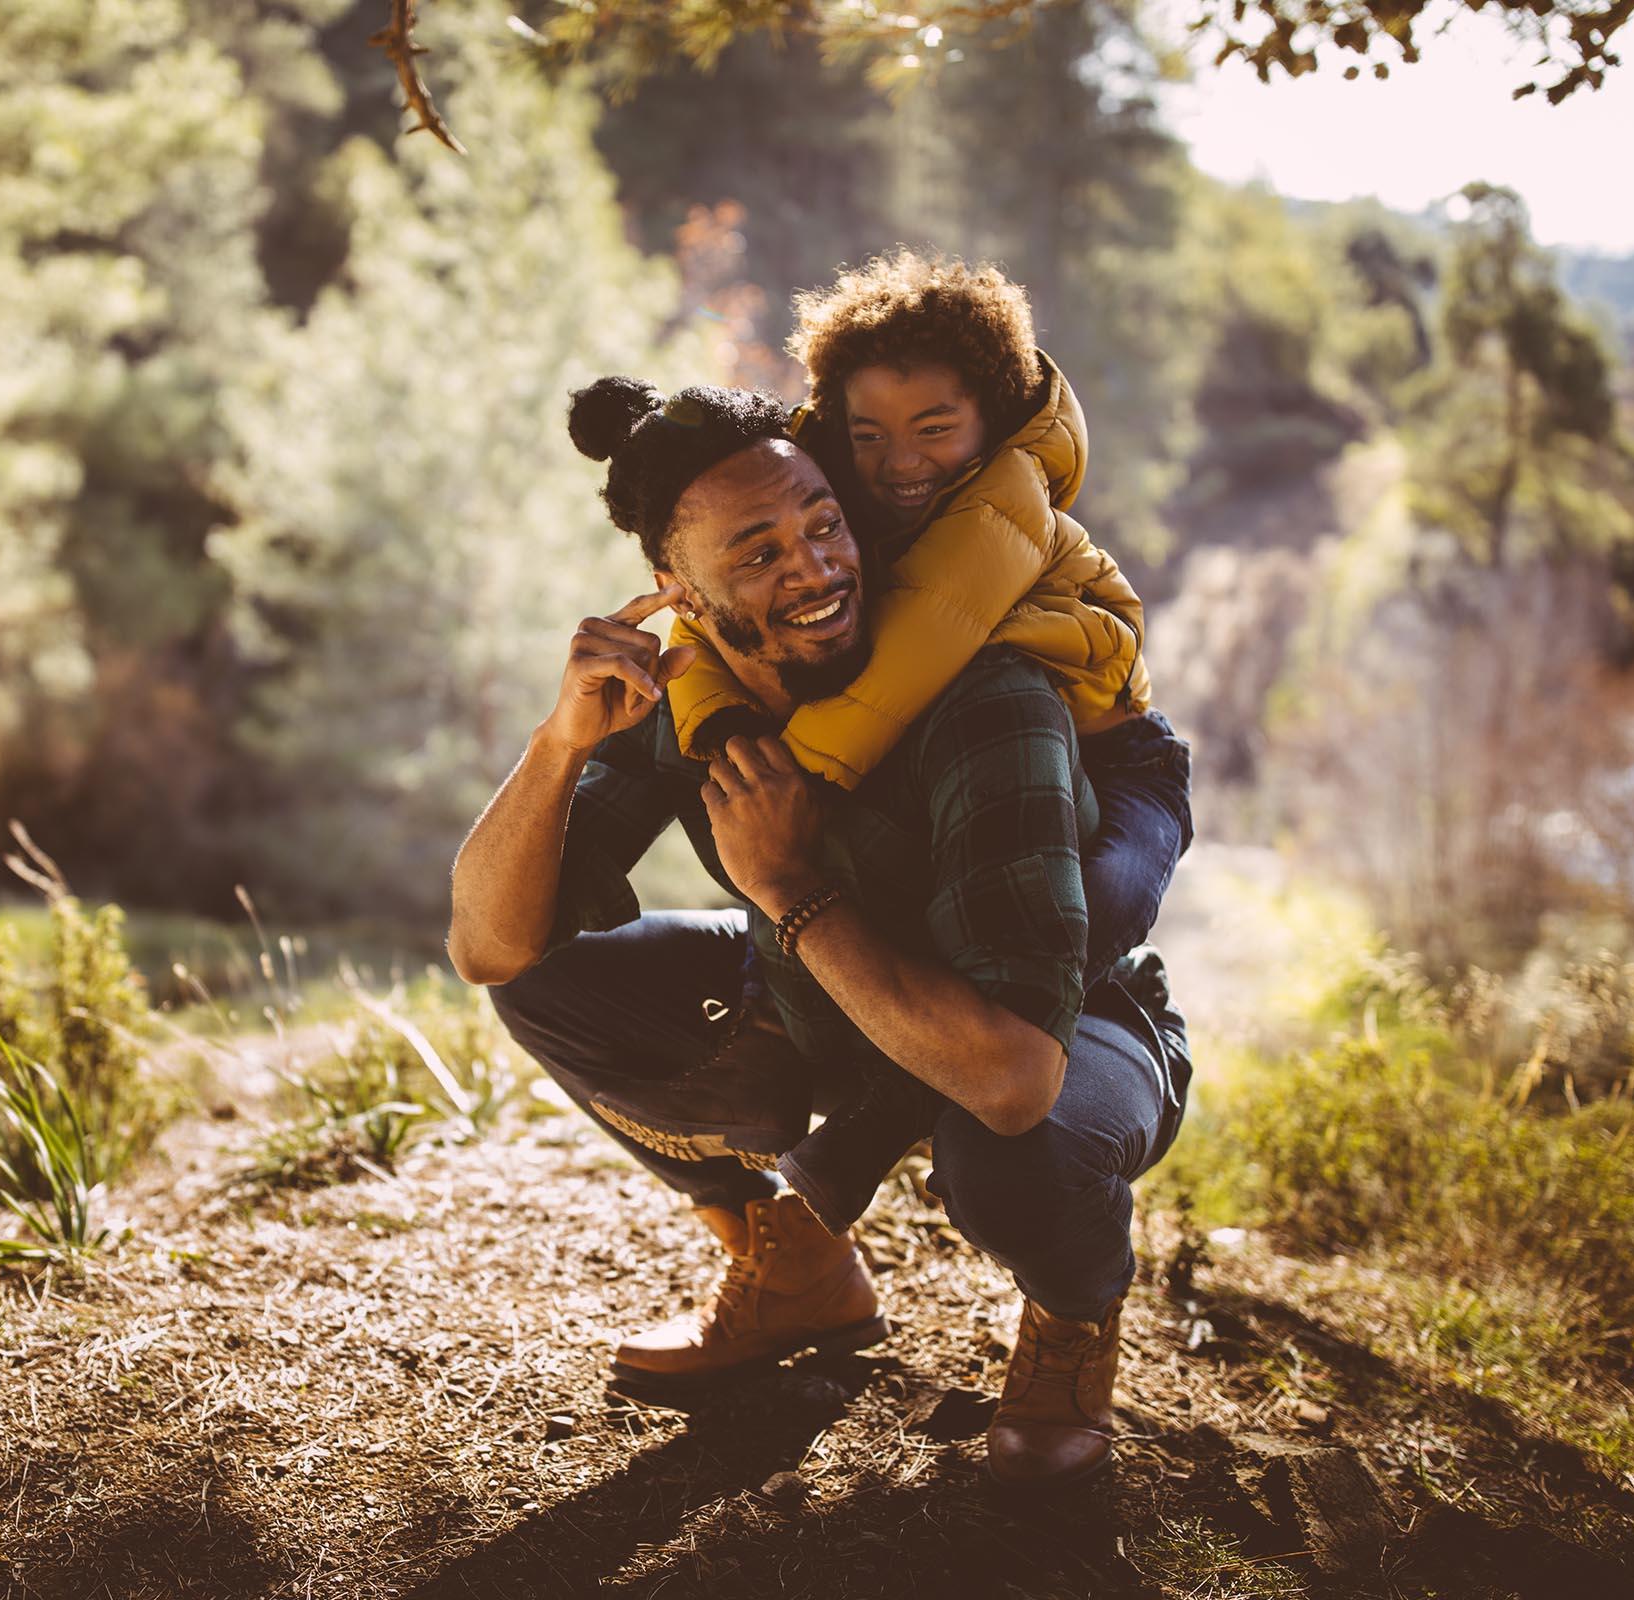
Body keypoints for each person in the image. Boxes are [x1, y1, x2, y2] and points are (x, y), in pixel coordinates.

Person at [445, 376, 1192, 1489]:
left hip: (1070, 1025)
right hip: (830, 1002)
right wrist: (561, 745)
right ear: (678, 591)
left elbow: (1012, 1074)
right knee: (553, 986)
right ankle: (791, 1268)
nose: (816, 568)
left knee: (1011, 1155)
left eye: (824, 524)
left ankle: (1072, 1318)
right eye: (757, 553)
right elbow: (488, 948)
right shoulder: (694, 695)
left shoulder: (987, 700)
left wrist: (790, 885)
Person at [661, 251, 1194, 1236]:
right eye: (868, 435)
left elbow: (905, 661)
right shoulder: (844, 506)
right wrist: (719, 717)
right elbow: (699, 629)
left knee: (1104, 906)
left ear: (992, 420)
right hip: (1018, 753)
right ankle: (786, 1033)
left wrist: (798, 778)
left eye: (934, 430)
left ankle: (893, 1114)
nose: (901, 460)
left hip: (1123, 763)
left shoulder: (1001, 508)